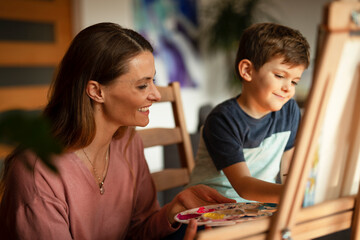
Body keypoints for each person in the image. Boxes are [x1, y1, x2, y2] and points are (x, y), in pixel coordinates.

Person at [0, 22, 235, 239]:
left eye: (153, 81)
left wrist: (171, 211)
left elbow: (138, 231)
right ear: (96, 91)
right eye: (143, 85)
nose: (155, 94)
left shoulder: (127, 142)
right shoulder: (37, 175)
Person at [187, 23, 310, 203]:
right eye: (280, 76)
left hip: (255, 210)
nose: (287, 89)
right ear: (247, 70)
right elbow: (244, 186)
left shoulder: (290, 111)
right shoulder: (222, 120)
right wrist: (292, 194)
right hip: (211, 209)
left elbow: (288, 167)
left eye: (294, 82)